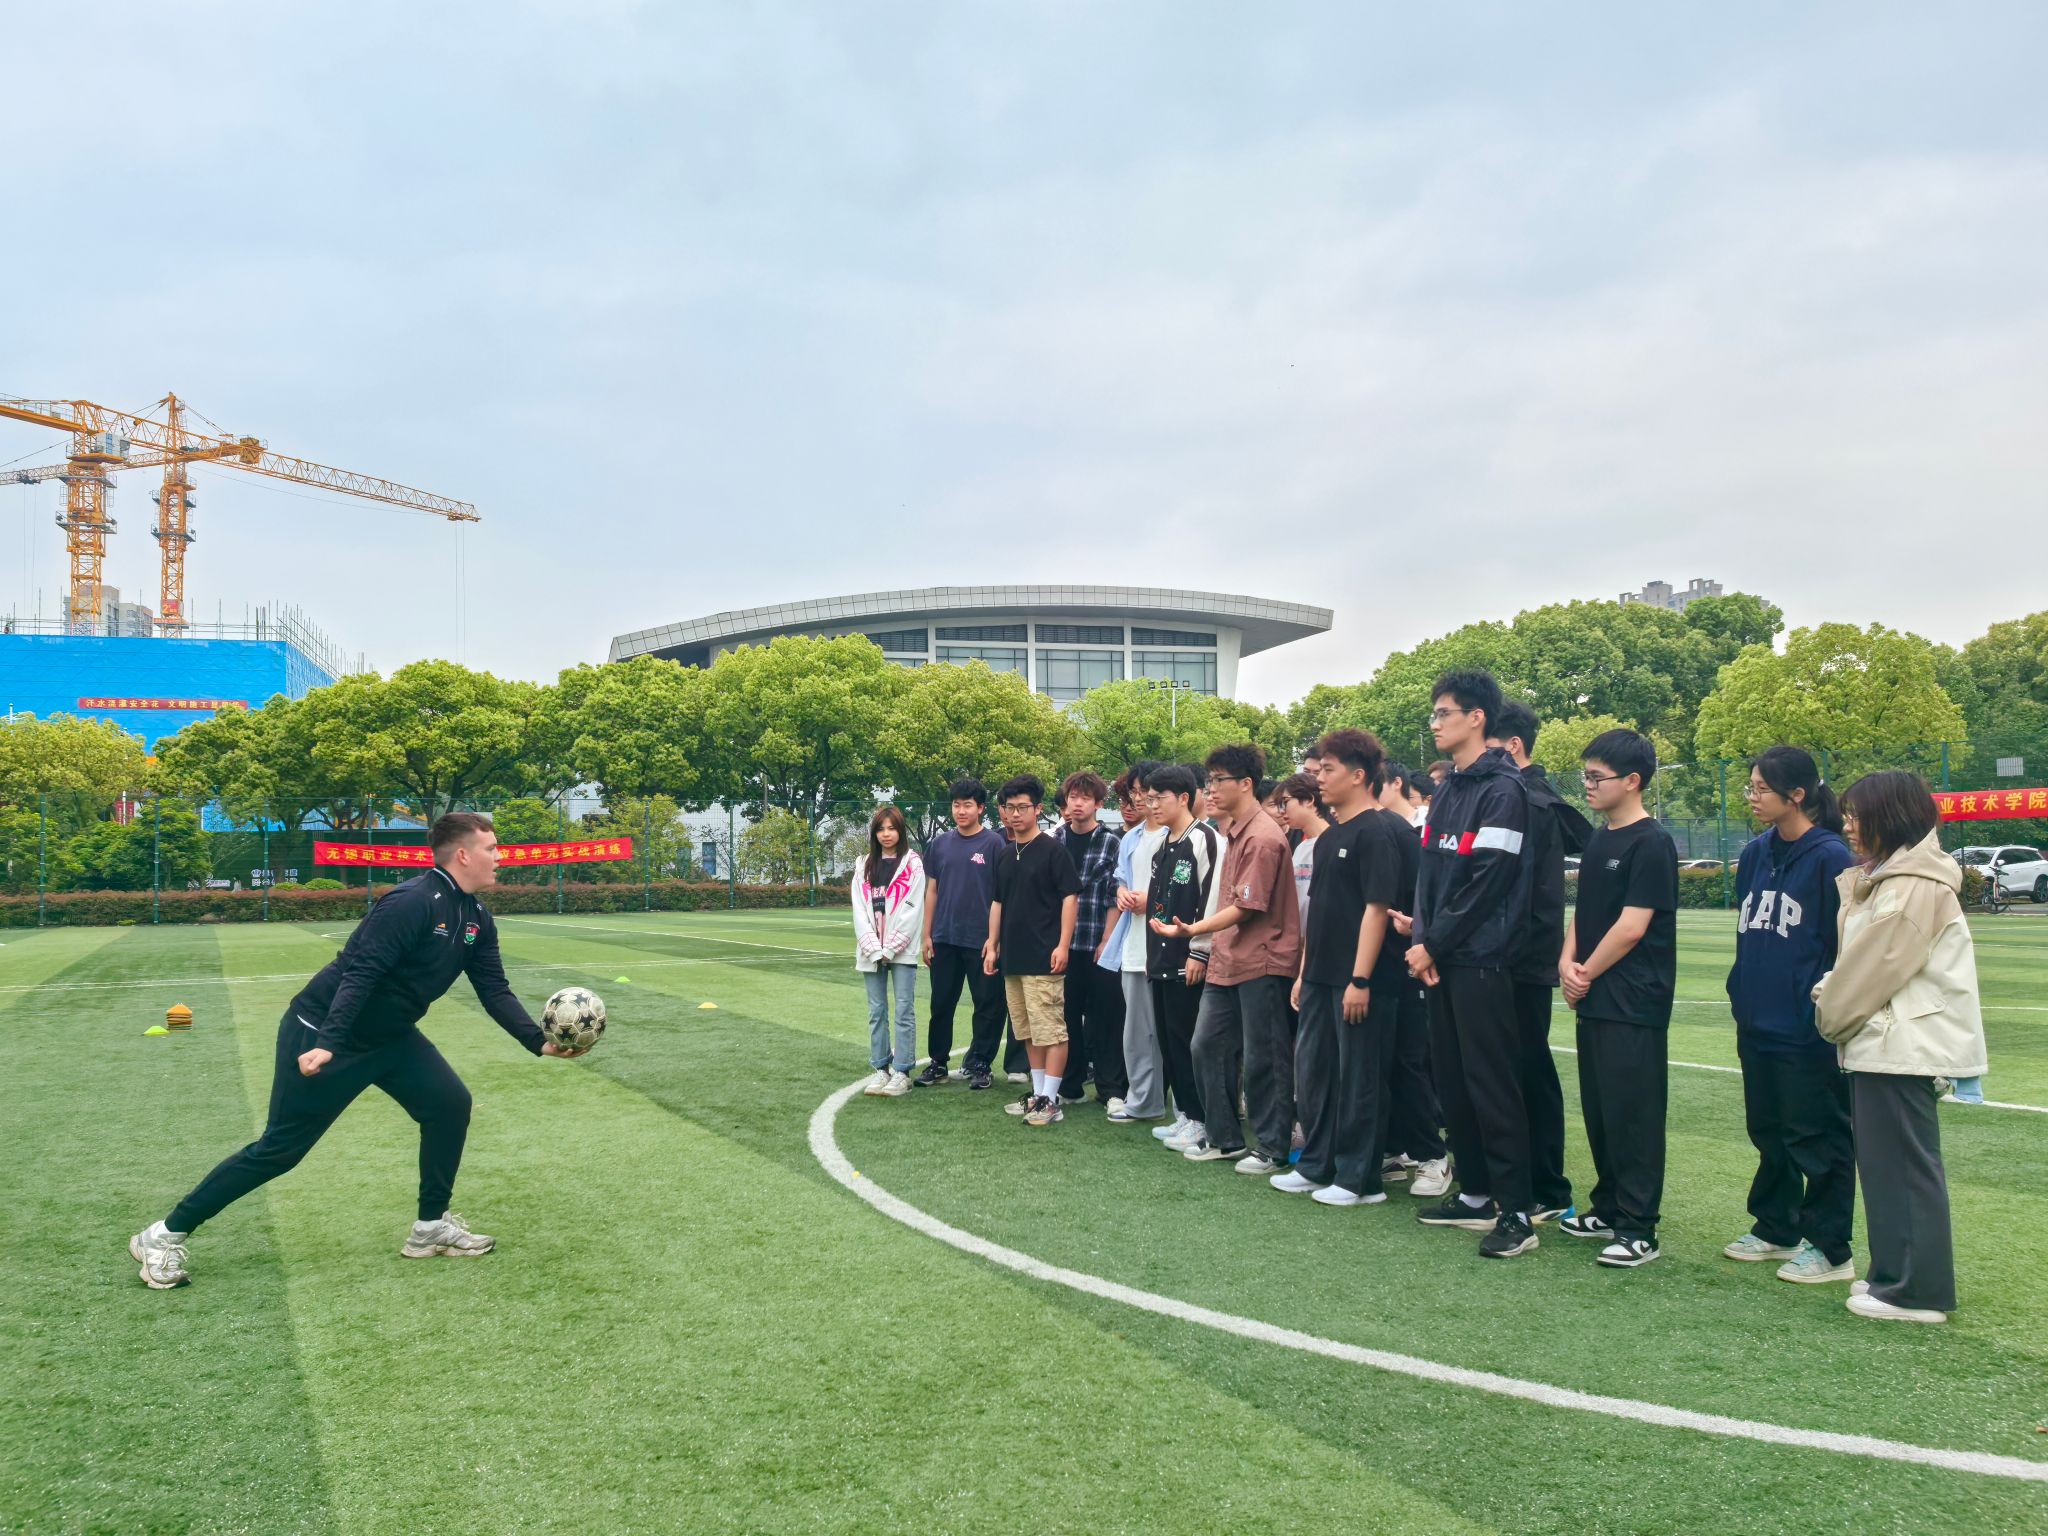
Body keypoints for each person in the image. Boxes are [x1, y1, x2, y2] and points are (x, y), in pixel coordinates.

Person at [129, 812, 583, 1289]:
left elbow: (493, 988)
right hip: (323, 1032)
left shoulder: (476, 917)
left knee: (449, 1105)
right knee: (280, 1150)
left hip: (391, 1036)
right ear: (464, 855)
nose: (500, 857)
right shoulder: (411, 902)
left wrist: (537, 1041)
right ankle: (161, 1235)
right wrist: (328, 1043)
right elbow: (360, 973)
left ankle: (430, 1228)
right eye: (492, 848)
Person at [1815, 772, 1986, 1324]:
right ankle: (1895, 1274)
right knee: (1888, 1167)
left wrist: (1829, 1008)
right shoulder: (1895, 877)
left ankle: (1916, 1292)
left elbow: (1871, 969)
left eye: (1858, 815)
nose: (1848, 825)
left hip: (1900, 1042)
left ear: (1890, 818)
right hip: (1889, 1040)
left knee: (1903, 1169)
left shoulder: (1911, 884)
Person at [1407, 670, 1540, 1259]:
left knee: (1491, 1083)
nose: (1435, 723)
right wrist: (1425, 944)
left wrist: (1433, 944)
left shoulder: (1503, 790)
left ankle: (1517, 1212)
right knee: (1454, 1079)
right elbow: (1430, 876)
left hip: (1482, 958)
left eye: (1444, 713)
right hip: (1442, 957)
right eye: (1435, 713)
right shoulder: (1450, 789)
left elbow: (1489, 881)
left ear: (1477, 718)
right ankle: (1476, 1194)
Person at [1722, 747, 1860, 1284]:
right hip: (1758, 1019)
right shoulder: (1757, 852)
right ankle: (1776, 1226)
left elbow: (1844, 945)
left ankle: (1830, 1247)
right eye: (1751, 786)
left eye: (1761, 788)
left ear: (1797, 795)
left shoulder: (1831, 857)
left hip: (1806, 1027)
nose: (1753, 797)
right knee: (1769, 1130)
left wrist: (1816, 1008)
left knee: (1817, 1135)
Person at [1557, 730, 1679, 1267]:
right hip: (1596, 997)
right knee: (1602, 1109)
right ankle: (1607, 1207)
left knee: (1634, 1113)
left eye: (1596, 777)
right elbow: (1584, 915)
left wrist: (1583, 973)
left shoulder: (1651, 842)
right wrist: (1567, 963)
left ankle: (1638, 1226)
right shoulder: (1599, 839)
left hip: (1634, 1001)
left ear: (1632, 781)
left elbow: (1632, 927)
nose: (1587, 785)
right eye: (1585, 775)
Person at [1274, 730, 1408, 1206]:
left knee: (1360, 1078)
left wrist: (1360, 979)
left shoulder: (1379, 831)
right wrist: (1304, 973)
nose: (1319, 778)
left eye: (1328, 770)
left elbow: (1377, 909)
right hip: (1319, 976)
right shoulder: (1329, 837)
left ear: (1358, 775)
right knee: (1316, 1074)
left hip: (1361, 981)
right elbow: (1320, 913)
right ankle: (1317, 1165)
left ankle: (1359, 1180)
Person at [1159, 744, 1301, 1169]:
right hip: (1228, 959)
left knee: (1264, 1057)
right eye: (1209, 781)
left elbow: (1246, 908)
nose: (1211, 789)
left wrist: (1193, 931)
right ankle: (1224, 1138)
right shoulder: (1234, 833)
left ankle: (1272, 1148)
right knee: (1205, 1045)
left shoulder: (1262, 837)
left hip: (1262, 961)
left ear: (1246, 784)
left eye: (1219, 780)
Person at [1490, 700, 1593, 1225]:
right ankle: (1516, 1180)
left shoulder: (1533, 799)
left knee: (1529, 1066)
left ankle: (1548, 1186)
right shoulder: (1513, 794)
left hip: (1522, 957)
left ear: (1512, 745)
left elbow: (1526, 890)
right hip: (1505, 954)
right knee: (1510, 1068)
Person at [984, 775, 1079, 1127]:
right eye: (1009, 807)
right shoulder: (1005, 853)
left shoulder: (1054, 851)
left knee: (1051, 1030)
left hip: (1044, 956)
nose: (1015, 814)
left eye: (1023, 807)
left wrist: (1063, 944)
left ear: (1038, 809)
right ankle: (1038, 1095)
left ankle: (1051, 1100)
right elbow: (998, 902)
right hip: (1013, 958)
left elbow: (1070, 898)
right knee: (1026, 1030)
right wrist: (992, 944)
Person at [1144, 765, 1223, 1149]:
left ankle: (1203, 1119)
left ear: (1184, 798)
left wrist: (1199, 951)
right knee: (1169, 1043)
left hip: (1188, 959)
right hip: (1160, 960)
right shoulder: (1163, 844)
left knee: (1189, 1042)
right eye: (1149, 798)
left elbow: (1212, 898)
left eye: (1159, 798)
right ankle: (1186, 1116)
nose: (1152, 805)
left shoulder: (1205, 839)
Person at [919, 778, 1015, 1091]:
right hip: (944, 937)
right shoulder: (939, 844)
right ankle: (938, 1062)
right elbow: (932, 891)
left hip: (981, 941)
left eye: (968, 805)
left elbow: (1001, 896)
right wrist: (926, 934)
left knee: (987, 1004)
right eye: (956, 805)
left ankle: (981, 1064)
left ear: (981, 808)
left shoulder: (994, 844)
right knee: (941, 1004)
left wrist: (995, 940)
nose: (961, 811)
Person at [1099, 764, 1169, 1124]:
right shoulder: (1132, 838)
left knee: (1171, 1033)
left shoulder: (1181, 835)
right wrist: (1123, 893)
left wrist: (1151, 899)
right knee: (1136, 1033)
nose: (1140, 799)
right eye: (1136, 792)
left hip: (1169, 948)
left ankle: (1184, 1109)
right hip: (1133, 946)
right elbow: (1121, 880)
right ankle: (1143, 1101)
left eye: (1146, 792)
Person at [1054, 771, 1126, 1108]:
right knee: (1066, 1017)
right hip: (1063, 945)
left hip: (1098, 943)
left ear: (1098, 803)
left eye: (1085, 798)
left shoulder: (1112, 842)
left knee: (1105, 1018)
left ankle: (1111, 1090)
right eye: (1073, 797)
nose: (1078, 803)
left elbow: (1114, 894)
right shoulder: (1055, 840)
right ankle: (1070, 1086)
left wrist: (1107, 940)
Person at [854, 804, 926, 1098]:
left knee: (904, 1009)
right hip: (870, 951)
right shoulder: (863, 864)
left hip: (902, 950)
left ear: (901, 831)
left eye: (892, 828)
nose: (886, 834)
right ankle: (881, 1068)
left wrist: (891, 947)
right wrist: (874, 947)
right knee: (876, 1010)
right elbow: (859, 910)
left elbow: (913, 908)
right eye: (881, 829)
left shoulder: (913, 864)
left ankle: (902, 1071)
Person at [1276, 772, 1327, 930]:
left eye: (1285, 802)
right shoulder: (1301, 847)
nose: (1281, 811)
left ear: (1309, 800)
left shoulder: (1333, 844)